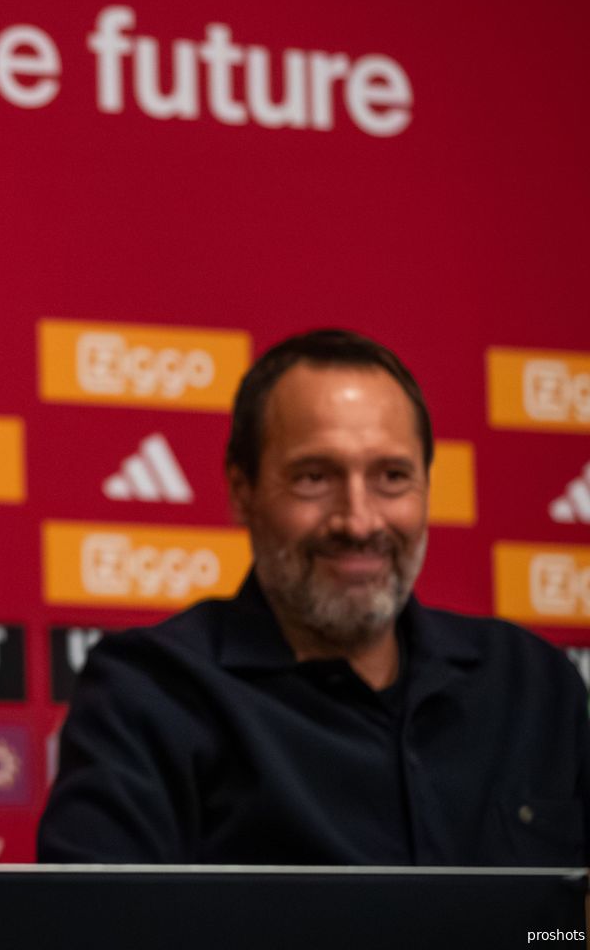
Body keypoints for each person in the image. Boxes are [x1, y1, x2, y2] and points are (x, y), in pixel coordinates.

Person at [38, 328, 590, 865]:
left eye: (392, 476)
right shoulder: (151, 694)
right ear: (241, 493)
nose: (358, 520)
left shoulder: (535, 686)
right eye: (313, 478)